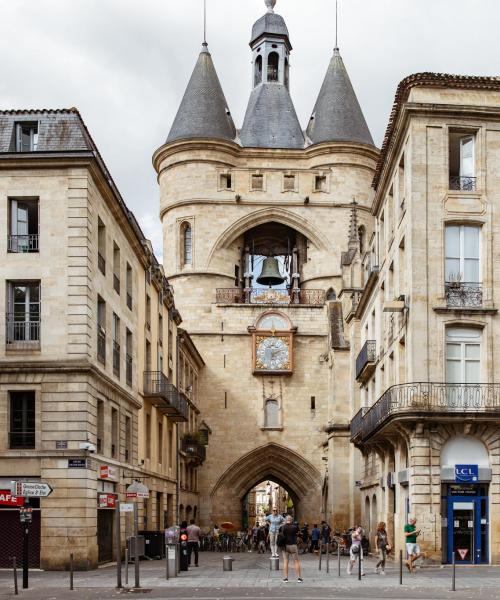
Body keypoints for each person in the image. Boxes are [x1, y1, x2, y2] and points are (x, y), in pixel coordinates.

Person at [281, 515, 303, 583]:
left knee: (286, 562)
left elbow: (280, 534)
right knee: (296, 561)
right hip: (293, 545)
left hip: (285, 546)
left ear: (285, 520)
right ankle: (299, 578)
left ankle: (286, 578)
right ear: (291, 520)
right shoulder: (295, 527)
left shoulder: (283, 527)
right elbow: (299, 533)